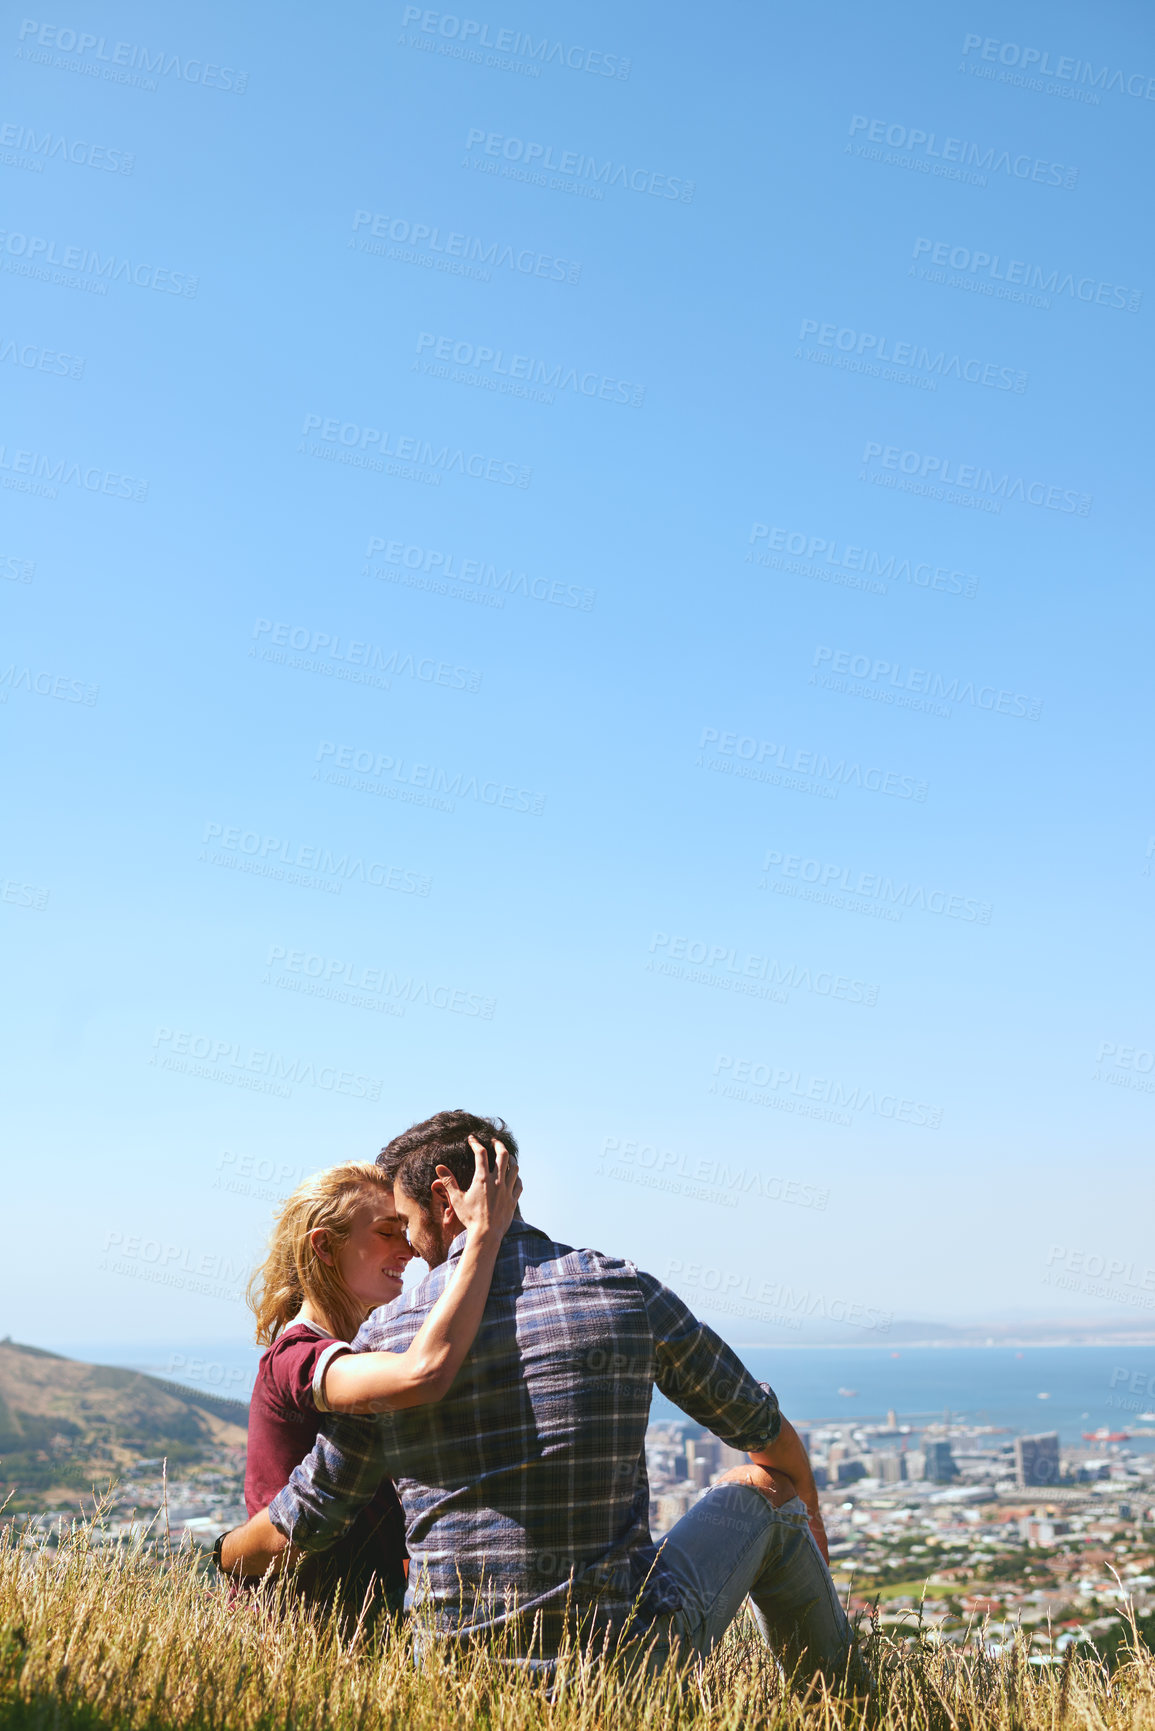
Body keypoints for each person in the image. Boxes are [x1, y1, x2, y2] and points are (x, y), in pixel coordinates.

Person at [223, 1112, 865, 1688]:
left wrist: (211, 1560)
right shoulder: (622, 1292)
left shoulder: (385, 1340)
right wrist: (812, 1533)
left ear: (446, 1199)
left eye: (408, 1224)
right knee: (762, 1489)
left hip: (450, 1677)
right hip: (624, 1670)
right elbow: (766, 1431)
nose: (412, 1250)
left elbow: (306, 1520)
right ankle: (844, 1704)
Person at [233, 1138, 520, 1621]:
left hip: (357, 1621)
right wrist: (483, 1237)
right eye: (389, 1232)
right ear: (325, 1245)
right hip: (301, 1626)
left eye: (404, 1228)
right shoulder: (297, 1356)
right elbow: (421, 1373)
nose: (408, 1247)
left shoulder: (362, 1347)